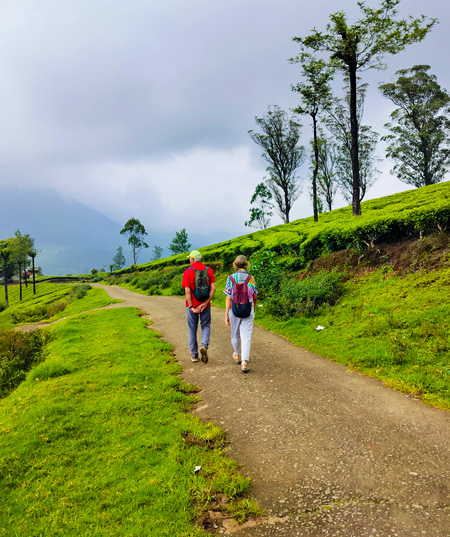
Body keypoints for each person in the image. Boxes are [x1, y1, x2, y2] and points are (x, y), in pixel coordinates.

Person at [224, 255, 257, 373]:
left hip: (235, 309)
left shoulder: (230, 278)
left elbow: (228, 298)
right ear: (246, 264)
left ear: (235, 265)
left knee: (235, 334)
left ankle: (237, 355)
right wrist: (254, 307)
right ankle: (244, 363)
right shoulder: (251, 278)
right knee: (246, 336)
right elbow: (254, 295)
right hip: (248, 309)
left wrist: (226, 314)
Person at [182, 250, 216, 363]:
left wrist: (191, 307)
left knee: (192, 329)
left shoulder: (188, 272)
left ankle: (194, 356)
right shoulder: (209, 270)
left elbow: (187, 291)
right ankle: (204, 346)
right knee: (206, 325)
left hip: (192, 306)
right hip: (205, 305)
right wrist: (206, 303)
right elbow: (213, 288)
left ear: (192, 259)